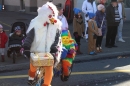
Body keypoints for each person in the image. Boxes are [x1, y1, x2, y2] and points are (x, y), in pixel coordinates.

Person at [23, 2, 62, 86]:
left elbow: (57, 38)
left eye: (53, 15)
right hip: (36, 50)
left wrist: (54, 48)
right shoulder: (36, 23)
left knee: (49, 68)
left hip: (48, 53)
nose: (51, 18)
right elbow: (30, 36)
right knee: (33, 65)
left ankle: (46, 84)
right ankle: (31, 76)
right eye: (49, 15)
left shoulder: (56, 25)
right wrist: (26, 47)